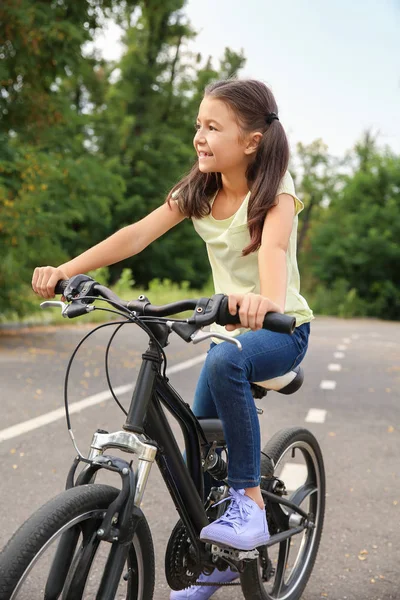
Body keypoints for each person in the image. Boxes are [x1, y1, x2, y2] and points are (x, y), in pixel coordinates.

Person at [32, 78, 314, 599]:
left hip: (280, 329)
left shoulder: (275, 193)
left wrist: (264, 304)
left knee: (225, 363)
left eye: (213, 127)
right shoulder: (200, 191)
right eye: (197, 126)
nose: (199, 138)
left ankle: (249, 503)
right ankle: (217, 564)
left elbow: (272, 254)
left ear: (251, 140)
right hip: (228, 334)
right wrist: (65, 269)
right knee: (197, 443)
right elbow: (135, 235)